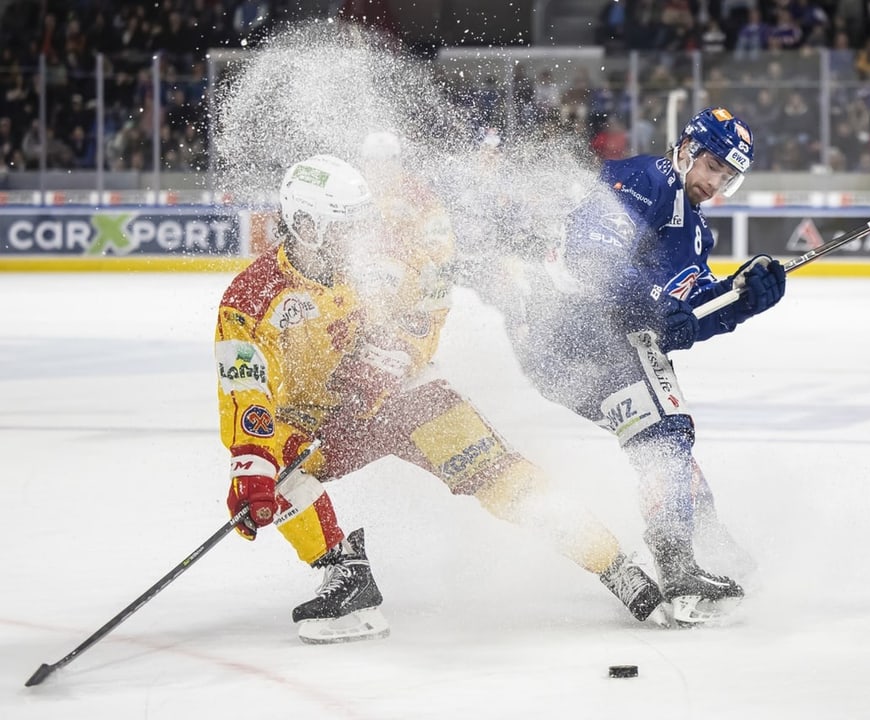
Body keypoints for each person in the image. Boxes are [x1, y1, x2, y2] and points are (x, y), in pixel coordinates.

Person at [215, 152, 666, 644]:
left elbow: (426, 312)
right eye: (344, 227)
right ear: (305, 225)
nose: (359, 239)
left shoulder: (381, 263)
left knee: (499, 475)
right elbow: (244, 389)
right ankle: (346, 575)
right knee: (266, 478)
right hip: (319, 426)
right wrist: (253, 464)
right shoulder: (251, 298)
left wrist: (378, 371)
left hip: (406, 395)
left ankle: (613, 562)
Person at [499, 107, 786, 624]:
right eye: (713, 166)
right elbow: (590, 258)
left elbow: (682, 324)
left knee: (669, 442)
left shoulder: (697, 236)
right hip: (570, 330)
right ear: (688, 149)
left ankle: (706, 544)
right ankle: (679, 567)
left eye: (727, 175)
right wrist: (658, 302)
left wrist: (741, 299)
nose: (715, 183)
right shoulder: (644, 178)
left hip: (595, 350)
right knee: (667, 430)